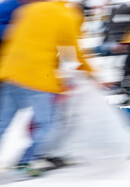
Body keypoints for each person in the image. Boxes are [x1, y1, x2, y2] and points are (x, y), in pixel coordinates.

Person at [0, 0, 94, 177]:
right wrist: (90, 73)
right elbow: (70, 53)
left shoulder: (30, 9)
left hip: (10, 72)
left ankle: (26, 160)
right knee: (48, 124)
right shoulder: (65, 15)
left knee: (2, 122)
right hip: (38, 77)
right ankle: (27, 161)